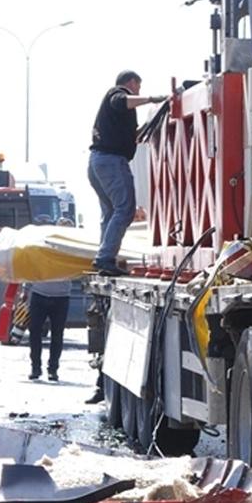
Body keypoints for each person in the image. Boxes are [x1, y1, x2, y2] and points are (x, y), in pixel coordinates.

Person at [87, 70, 167, 276]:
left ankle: (103, 257)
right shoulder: (117, 93)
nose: (139, 90)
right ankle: (105, 257)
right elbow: (120, 101)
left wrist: (148, 127)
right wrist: (151, 99)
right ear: (131, 83)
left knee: (110, 212)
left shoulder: (116, 118)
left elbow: (132, 135)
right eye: (138, 87)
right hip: (111, 161)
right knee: (125, 209)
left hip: (98, 162)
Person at [28, 218, 77, 382]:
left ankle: (53, 369)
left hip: (61, 297)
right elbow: (31, 264)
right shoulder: (44, 245)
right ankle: (35, 368)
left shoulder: (73, 250)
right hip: (39, 294)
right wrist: (24, 288)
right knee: (35, 333)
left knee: (57, 335)